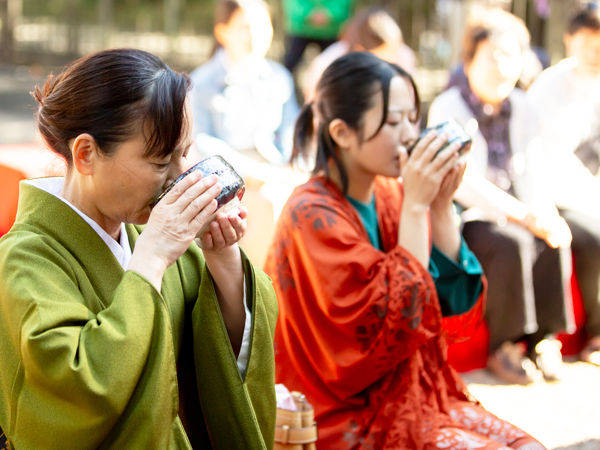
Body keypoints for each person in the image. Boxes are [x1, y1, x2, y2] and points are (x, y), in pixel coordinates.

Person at [265, 51, 546, 450]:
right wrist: (417, 206)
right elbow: (391, 326)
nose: (410, 134)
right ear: (343, 133)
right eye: (394, 121)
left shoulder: (391, 193)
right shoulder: (310, 212)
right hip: (344, 412)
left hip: (417, 394)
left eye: (413, 118)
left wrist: (441, 207)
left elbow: (452, 305)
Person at [0, 49, 278, 449]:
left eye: (185, 152)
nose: (181, 176)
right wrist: (151, 258)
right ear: (86, 153)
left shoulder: (158, 237)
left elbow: (223, 354)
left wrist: (222, 256)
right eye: (160, 160)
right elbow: (76, 389)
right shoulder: (25, 256)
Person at [428, 10, 574, 385]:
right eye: (491, 56)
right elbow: (465, 183)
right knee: (512, 243)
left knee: (554, 238)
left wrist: (544, 213)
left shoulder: (523, 106)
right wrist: (525, 217)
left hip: (519, 207)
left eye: (510, 55)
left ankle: (545, 339)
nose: (501, 66)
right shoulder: (447, 108)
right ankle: (505, 345)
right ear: (469, 61)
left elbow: (533, 169)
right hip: (470, 215)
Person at [189, 0, 301, 268]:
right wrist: (249, 174)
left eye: (263, 27)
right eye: (245, 28)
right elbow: (201, 142)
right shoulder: (200, 83)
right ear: (222, 32)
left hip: (276, 171)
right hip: (226, 180)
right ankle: (262, 290)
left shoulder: (279, 76)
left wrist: (290, 167)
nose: (255, 36)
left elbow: (293, 129)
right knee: (267, 204)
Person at [526, 3, 600, 366]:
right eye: (588, 42)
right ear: (570, 40)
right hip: (560, 195)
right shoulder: (550, 87)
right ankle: (596, 335)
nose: (595, 52)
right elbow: (551, 160)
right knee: (594, 235)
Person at [302, 7, 417, 101]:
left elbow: (411, 102)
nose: (382, 65)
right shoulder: (328, 63)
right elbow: (313, 104)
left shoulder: (402, 56)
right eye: (376, 58)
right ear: (358, 49)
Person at [282, 0, 354, 73]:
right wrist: (308, 13)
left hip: (330, 32)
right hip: (300, 29)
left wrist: (329, 14)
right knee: (289, 64)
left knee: (334, 66)